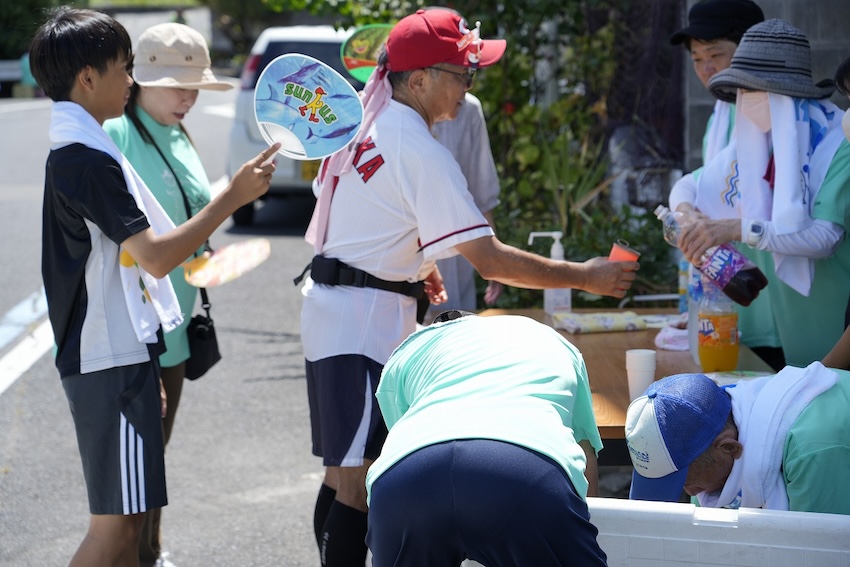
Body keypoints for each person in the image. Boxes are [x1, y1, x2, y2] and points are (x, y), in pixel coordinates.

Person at [297, 9, 638, 566]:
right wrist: (586, 275)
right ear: (420, 79)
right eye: (461, 74)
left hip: (346, 310)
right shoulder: (420, 148)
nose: (467, 88)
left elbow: (361, 210)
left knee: (344, 473)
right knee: (356, 483)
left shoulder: (367, 115)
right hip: (361, 321)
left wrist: (413, 260)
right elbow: (490, 261)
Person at [30, 7, 277, 566]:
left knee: (130, 524)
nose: (131, 81)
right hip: (106, 357)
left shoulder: (88, 147)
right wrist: (232, 199)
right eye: (123, 69)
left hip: (123, 354)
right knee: (113, 531)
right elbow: (157, 258)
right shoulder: (86, 159)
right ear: (87, 78)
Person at [102, 22, 233, 567]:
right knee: (131, 468)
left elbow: (185, 222)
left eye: (195, 86)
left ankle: (151, 552)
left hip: (174, 326)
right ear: (138, 81)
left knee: (155, 455)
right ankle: (132, 555)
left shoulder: (179, 134)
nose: (188, 97)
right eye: (176, 84)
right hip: (133, 331)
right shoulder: (115, 135)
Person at [671, 19, 850, 368]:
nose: (744, 102)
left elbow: (824, 238)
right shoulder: (757, 144)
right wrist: (688, 215)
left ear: (784, 95)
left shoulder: (837, 143)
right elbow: (689, 184)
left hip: (831, 330)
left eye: (753, 91)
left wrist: (735, 229)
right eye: (740, 92)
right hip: (776, 324)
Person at [365, 310, 607, 566]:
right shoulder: (553, 341)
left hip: (407, 480)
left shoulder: (408, 353)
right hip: (524, 472)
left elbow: (404, 435)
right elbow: (585, 452)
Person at [666, 0, 784, 370]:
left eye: (716, 54)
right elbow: (696, 187)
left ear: (750, 50)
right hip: (730, 304)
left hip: (777, 305)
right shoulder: (719, 116)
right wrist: (688, 215)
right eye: (698, 59)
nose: (707, 69)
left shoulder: (774, 114)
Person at [625, 366, 850, 514]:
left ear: (729, 448)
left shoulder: (813, 451)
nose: (691, 493)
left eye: (687, 481)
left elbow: (819, 551)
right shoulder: (727, 411)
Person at [431, 91, 503, 313]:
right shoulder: (387, 111)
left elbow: (482, 195)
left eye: (468, 74)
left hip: (456, 256)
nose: (465, 83)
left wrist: (495, 261)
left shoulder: (469, 109)